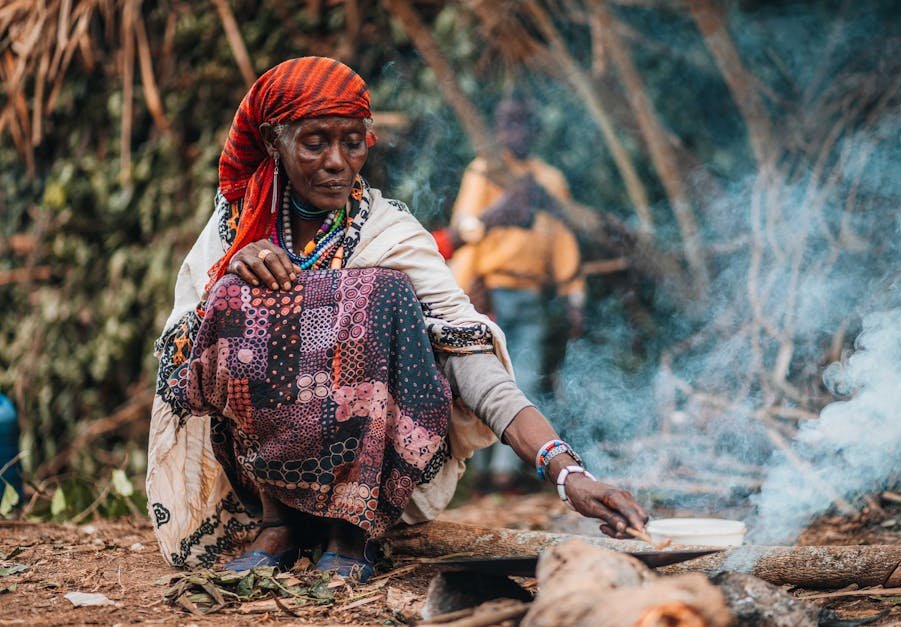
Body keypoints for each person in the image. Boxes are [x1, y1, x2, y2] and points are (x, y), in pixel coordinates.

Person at [147, 57, 646, 582]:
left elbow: (469, 356)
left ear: (369, 140)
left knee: (378, 293)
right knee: (231, 293)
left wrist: (567, 473)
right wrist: (237, 270)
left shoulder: (390, 233)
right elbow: (186, 360)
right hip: (260, 469)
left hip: (374, 474)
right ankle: (280, 523)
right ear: (275, 141)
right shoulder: (237, 225)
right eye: (315, 142)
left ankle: (352, 529)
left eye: (353, 141)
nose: (337, 161)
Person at [436, 95, 586, 486]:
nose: (515, 131)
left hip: (531, 294)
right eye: (507, 123)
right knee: (481, 382)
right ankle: (481, 473)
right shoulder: (486, 171)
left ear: (537, 130)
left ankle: (504, 474)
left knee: (527, 379)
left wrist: (574, 295)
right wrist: (462, 291)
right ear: (497, 129)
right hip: (487, 295)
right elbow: (466, 230)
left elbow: (563, 240)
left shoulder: (549, 181)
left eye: (523, 123)